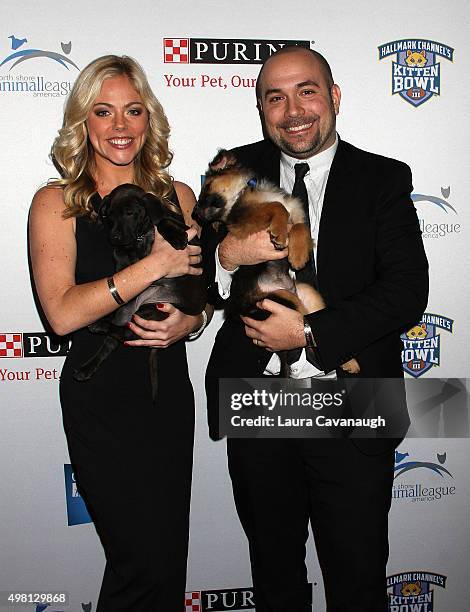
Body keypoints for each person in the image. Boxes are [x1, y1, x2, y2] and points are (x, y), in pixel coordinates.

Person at [202, 46, 428, 611]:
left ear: (334, 97)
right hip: (259, 404)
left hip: (351, 404)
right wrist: (224, 255)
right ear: (260, 108)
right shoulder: (233, 172)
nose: (292, 110)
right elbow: (191, 267)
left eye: (306, 91)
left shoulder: (382, 178)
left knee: (357, 579)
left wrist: (309, 335)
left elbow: (406, 292)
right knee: (275, 577)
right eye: (274, 97)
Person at [29, 55, 211, 611]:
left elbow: (198, 296)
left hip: (166, 397)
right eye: (103, 112)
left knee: (163, 561)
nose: (120, 126)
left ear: (148, 118)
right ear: (82, 121)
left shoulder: (178, 196)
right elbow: (60, 315)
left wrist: (192, 321)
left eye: (133, 111)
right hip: (102, 399)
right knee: (138, 562)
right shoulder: (56, 204)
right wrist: (152, 266)